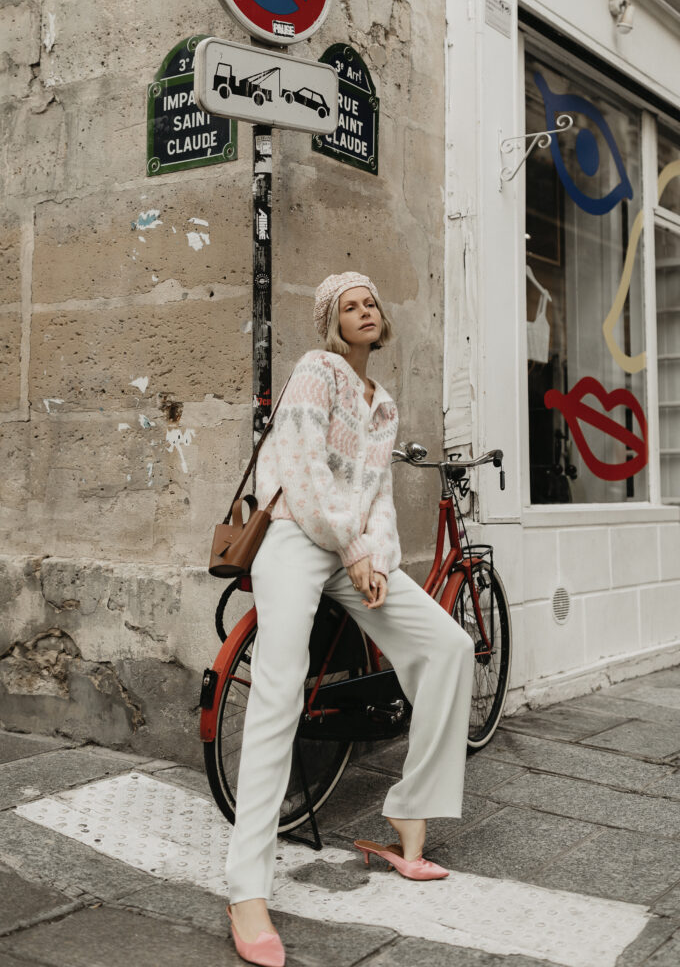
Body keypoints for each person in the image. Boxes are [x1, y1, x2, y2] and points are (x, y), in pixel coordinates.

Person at [224, 271, 475, 967]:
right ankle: (247, 889)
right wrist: (355, 546)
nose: (366, 310)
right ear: (331, 320)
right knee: (279, 684)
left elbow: (378, 499)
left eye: (371, 302)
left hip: (352, 552)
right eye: (350, 305)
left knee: (449, 648)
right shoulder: (316, 372)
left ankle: (407, 811)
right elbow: (302, 475)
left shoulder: (382, 403)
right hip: (296, 539)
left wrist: (376, 556)